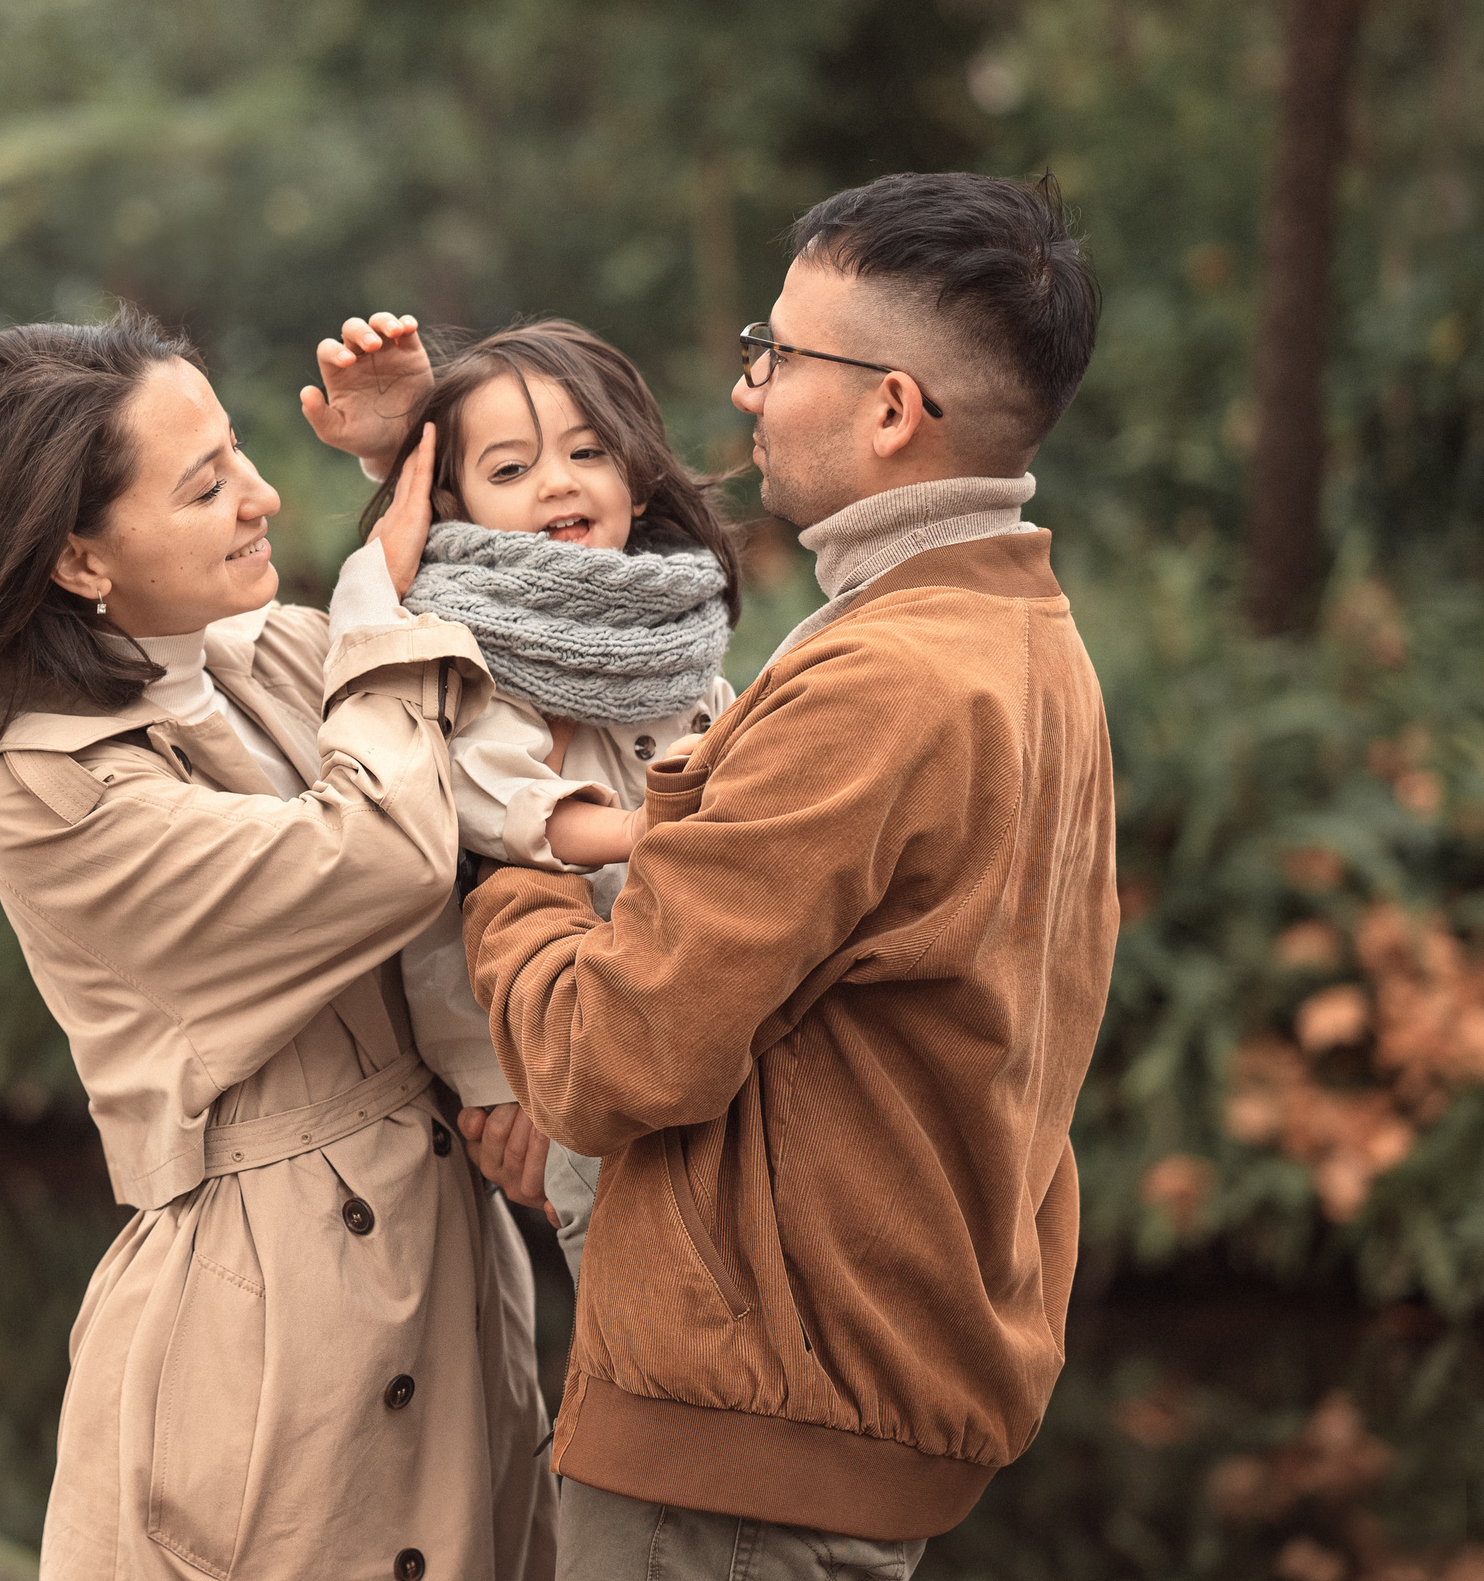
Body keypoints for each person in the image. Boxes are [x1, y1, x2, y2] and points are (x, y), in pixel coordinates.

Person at [459, 171, 1116, 1580]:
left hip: (735, 1459)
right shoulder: (1025, 643)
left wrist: (502, 853)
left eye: (778, 354)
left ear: (889, 408)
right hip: (848, 1422)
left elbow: (606, 1057)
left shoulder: (876, 686)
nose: (749, 389)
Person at [0, 310, 555, 1581]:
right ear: (79, 559)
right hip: (273, 1320)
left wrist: (410, 447)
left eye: (237, 455)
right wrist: (373, 606)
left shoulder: (247, 652)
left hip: (438, 1253)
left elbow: (472, 641)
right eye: (208, 483)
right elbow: (384, 849)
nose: (264, 497)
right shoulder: (50, 790)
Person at [324, 321, 744, 1282]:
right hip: (521, 1037)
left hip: (661, 1003)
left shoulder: (668, 626)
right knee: (633, 1267)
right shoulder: (469, 634)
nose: (557, 482)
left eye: (587, 452)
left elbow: (717, 740)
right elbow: (494, 796)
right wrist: (650, 832)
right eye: (510, 470)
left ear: (638, 479)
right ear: (455, 506)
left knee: (707, 1241)